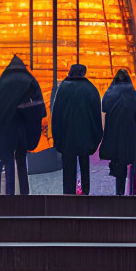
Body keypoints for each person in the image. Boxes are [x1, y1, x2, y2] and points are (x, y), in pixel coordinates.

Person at [0, 54, 45, 197]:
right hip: (23, 128)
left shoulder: (3, 81)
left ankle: (10, 193)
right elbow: (37, 107)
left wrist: (1, 124)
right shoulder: (29, 80)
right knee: (21, 158)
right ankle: (24, 193)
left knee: (8, 160)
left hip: (7, 128)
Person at [51, 62, 102, 195]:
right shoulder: (90, 89)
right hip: (85, 136)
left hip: (67, 137)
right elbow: (96, 115)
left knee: (68, 169)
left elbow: (56, 114)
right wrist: (96, 138)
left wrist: (56, 137)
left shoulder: (63, 88)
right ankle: (85, 193)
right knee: (85, 166)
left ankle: (68, 195)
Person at [100, 69, 136, 195]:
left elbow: (104, 107)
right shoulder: (132, 93)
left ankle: (119, 191)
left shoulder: (110, 92)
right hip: (129, 134)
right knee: (127, 161)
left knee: (118, 161)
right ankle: (127, 191)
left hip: (114, 133)